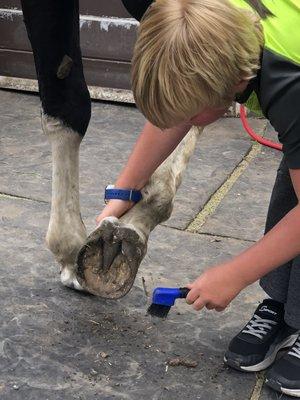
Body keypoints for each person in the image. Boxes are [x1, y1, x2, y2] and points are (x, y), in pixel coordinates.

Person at [97, 0, 300, 396]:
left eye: (193, 111)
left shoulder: (288, 84)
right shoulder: (214, 32)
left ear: (232, 84)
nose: (186, 120)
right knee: (291, 190)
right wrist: (119, 198)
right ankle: (286, 307)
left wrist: (235, 274)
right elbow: (178, 114)